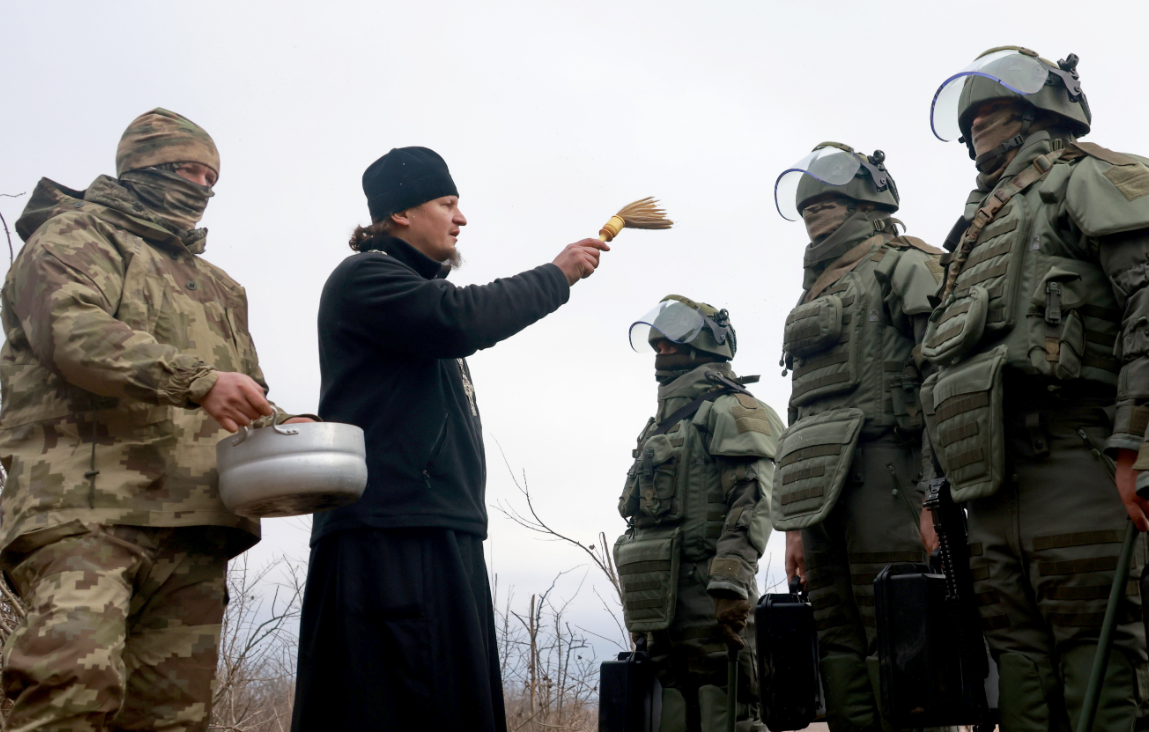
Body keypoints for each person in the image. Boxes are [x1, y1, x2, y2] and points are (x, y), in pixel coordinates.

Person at [0, 108, 313, 732]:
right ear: (140, 168)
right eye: (182, 170)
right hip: (85, 513)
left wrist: (282, 427)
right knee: (69, 691)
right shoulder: (71, 238)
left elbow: (239, 391)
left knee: (170, 719)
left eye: (208, 177)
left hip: (194, 524)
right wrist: (195, 383)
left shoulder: (220, 286)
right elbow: (73, 332)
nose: (197, 187)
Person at [290, 146, 610, 731]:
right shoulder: (367, 279)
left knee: (451, 706)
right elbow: (461, 319)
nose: (461, 218)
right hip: (389, 538)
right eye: (447, 203)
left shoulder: (411, 294)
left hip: (436, 530)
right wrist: (557, 274)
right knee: (397, 707)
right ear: (402, 213)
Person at [922, 46, 1149, 730]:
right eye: (970, 117)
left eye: (993, 108)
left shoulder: (1090, 179)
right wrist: (937, 492)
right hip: (989, 490)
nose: (977, 126)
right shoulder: (968, 235)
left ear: (1040, 107)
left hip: (1080, 462)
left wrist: (1134, 445)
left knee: (1100, 672)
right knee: (1017, 675)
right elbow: (938, 371)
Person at [770, 143, 943, 731]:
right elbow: (801, 412)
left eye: (830, 198)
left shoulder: (906, 265)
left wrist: (934, 500)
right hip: (821, 497)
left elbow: (943, 380)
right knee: (836, 637)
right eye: (808, 201)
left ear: (868, 195)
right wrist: (794, 524)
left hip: (889, 476)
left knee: (898, 634)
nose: (815, 208)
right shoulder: (811, 295)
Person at [615, 295, 781, 732]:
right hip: (659, 601)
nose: (660, 353)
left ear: (706, 345)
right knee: (669, 710)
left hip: (708, 594)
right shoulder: (660, 424)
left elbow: (753, 500)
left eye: (670, 343)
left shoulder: (734, 410)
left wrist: (729, 582)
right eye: (656, 346)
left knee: (726, 710)